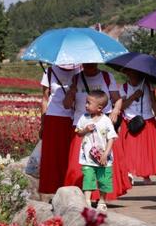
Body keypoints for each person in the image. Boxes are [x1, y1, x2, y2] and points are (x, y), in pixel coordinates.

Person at [63, 63, 131, 201]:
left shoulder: (106, 77)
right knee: (79, 166)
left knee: (102, 163)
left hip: (101, 128)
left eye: (93, 63)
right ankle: (80, 197)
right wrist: (71, 92)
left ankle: (101, 197)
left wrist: (116, 111)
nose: (90, 65)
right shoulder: (76, 79)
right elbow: (66, 105)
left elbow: (117, 99)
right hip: (81, 126)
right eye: (87, 63)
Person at [120, 68, 156, 184]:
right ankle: (129, 172)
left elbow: (154, 103)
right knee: (129, 149)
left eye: (135, 72)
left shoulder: (148, 86)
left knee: (146, 149)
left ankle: (146, 174)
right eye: (130, 72)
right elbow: (121, 106)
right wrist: (133, 96)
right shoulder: (123, 88)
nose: (133, 75)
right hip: (129, 121)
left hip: (147, 120)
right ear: (127, 73)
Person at [38, 64, 79, 194]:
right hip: (54, 117)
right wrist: (43, 124)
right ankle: (55, 191)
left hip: (75, 117)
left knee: (71, 155)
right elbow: (45, 99)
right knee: (54, 156)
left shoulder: (80, 70)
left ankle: (73, 188)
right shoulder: (50, 71)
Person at [75, 90, 118, 212]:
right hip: (87, 157)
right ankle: (87, 201)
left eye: (89, 103)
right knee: (88, 177)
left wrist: (106, 154)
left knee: (104, 179)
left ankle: (102, 200)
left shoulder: (106, 120)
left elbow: (111, 138)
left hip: (104, 158)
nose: (86, 105)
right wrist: (85, 130)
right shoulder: (84, 118)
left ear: (99, 108)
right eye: (86, 102)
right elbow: (78, 133)